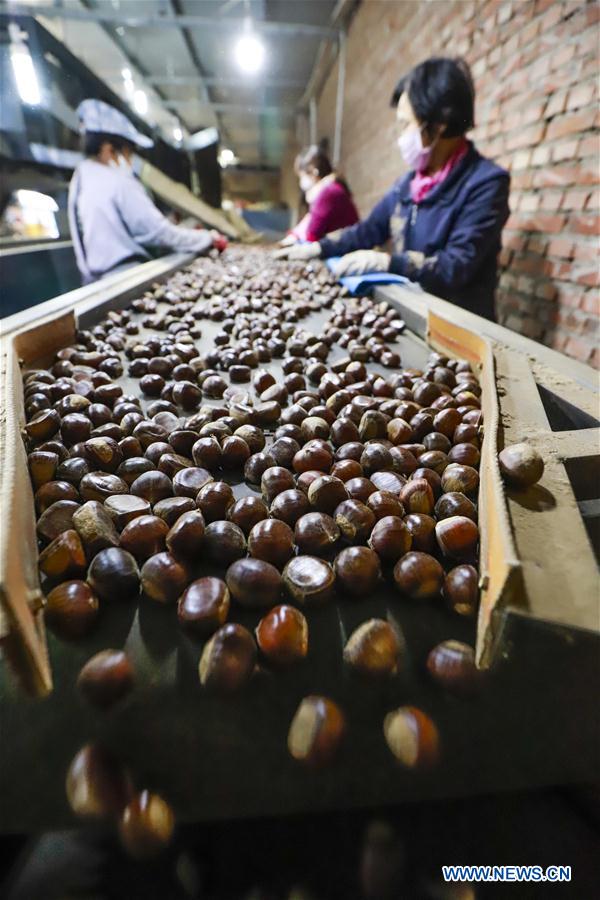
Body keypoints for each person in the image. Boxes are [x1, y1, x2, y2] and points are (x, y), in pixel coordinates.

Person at [276, 57, 510, 321]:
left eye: (406, 124)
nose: (401, 135)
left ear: (439, 123)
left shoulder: (485, 183)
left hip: (459, 325)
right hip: (411, 311)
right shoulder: (407, 185)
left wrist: (388, 262)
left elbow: (455, 266)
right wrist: (319, 248)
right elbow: (368, 230)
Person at [68, 100, 225, 284]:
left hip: (93, 282)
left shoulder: (80, 178)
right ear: (109, 149)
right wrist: (206, 238)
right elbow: (159, 232)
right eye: (128, 151)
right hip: (126, 278)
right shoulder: (117, 181)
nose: (129, 159)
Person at [280, 142, 359, 245]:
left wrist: (295, 238)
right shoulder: (333, 187)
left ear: (313, 172)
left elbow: (312, 235)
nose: (301, 182)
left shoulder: (328, 192)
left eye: (302, 176)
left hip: (344, 249)